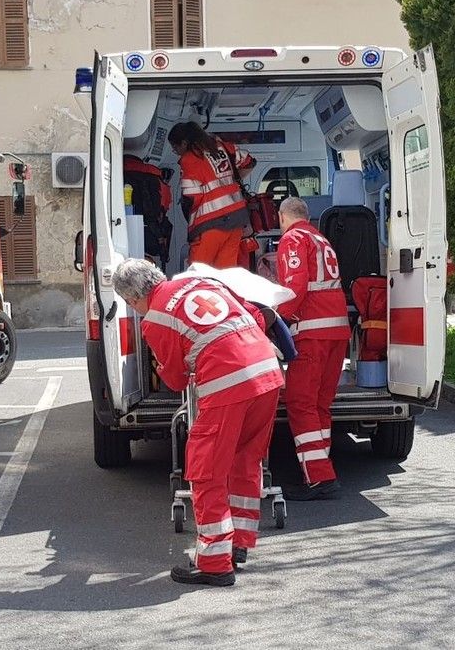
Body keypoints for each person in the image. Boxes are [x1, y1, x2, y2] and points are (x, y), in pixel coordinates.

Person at [112, 258, 283, 587]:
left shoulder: (155, 319)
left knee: (206, 470)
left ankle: (215, 563)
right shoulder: (202, 280)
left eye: (131, 304)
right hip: (266, 372)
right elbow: (256, 315)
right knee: (245, 460)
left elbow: (176, 380)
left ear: (132, 299)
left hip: (228, 383)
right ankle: (238, 544)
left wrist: (170, 364)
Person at [275, 197, 350, 501]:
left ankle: (319, 477)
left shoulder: (292, 239)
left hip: (312, 332)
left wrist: (275, 319)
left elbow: (295, 286)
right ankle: (319, 469)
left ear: (282, 217)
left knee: (300, 403)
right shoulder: (321, 240)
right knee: (320, 404)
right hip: (337, 331)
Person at [168, 122, 255, 269]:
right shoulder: (222, 147)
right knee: (225, 271)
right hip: (236, 219)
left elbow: (191, 196)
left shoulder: (189, 160)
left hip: (209, 223)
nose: (176, 152)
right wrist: (232, 181)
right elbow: (249, 161)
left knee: (198, 271)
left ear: (184, 143)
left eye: (175, 148)